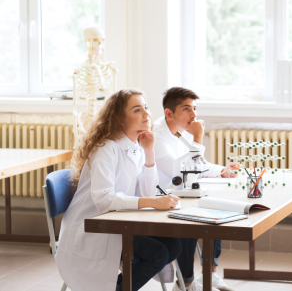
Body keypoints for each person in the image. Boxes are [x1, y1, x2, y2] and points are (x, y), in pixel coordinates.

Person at [56, 89, 182, 291]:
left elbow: (147, 193)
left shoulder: (137, 146)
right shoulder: (106, 148)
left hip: (119, 223)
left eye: (146, 108)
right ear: (120, 119)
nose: (146, 114)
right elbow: (103, 200)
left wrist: (149, 152)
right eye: (137, 110)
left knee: (174, 246)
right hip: (93, 228)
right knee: (158, 253)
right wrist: (152, 203)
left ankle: (119, 287)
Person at [154, 87, 238, 291]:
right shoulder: (156, 134)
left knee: (215, 211)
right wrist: (198, 139)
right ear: (169, 113)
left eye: (194, 108)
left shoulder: (182, 130)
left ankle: (210, 274)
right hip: (157, 198)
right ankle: (186, 284)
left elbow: (198, 165)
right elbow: (179, 170)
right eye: (186, 109)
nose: (193, 115)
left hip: (180, 193)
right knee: (190, 218)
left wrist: (222, 171)